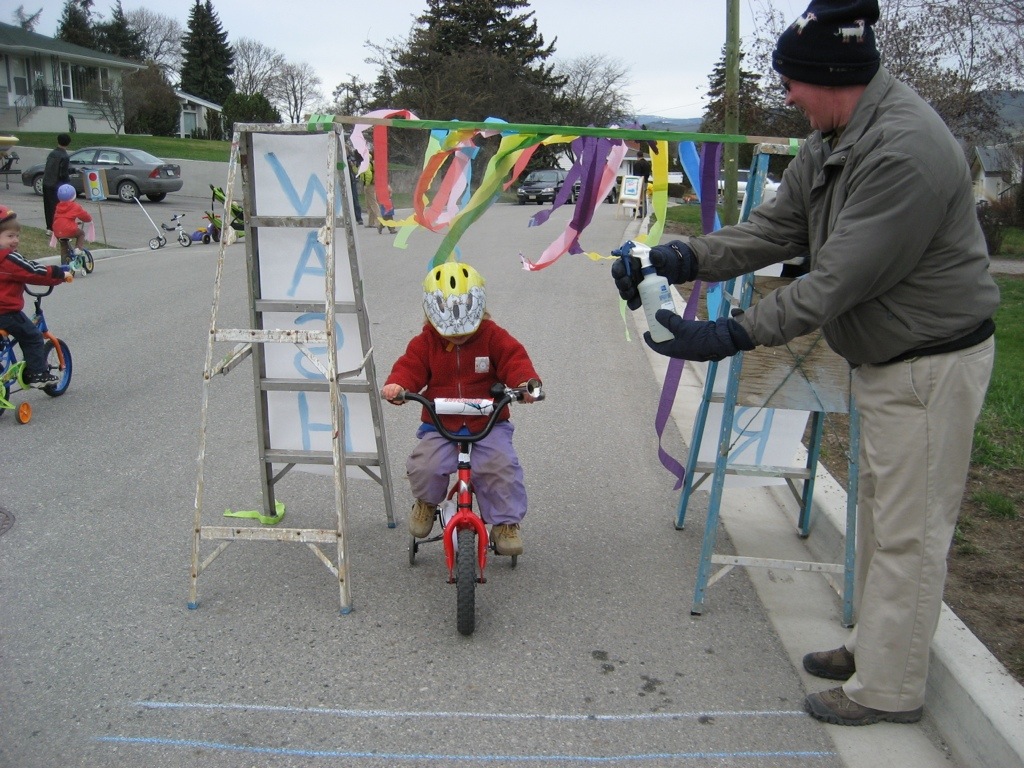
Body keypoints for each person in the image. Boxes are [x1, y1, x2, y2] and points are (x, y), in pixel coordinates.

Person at [612, 0, 999, 727]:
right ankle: (875, 650)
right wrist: (683, 255)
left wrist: (727, 334)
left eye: (792, 81)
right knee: (881, 518)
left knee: (911, 531)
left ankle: (889, 690)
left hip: (930, 366)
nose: (787, 94)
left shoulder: (904, 152)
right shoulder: (836, 137)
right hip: (890, 360)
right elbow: (775, 228)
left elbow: (832, 283)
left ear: (831, 76)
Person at [380, 261, 541, 556]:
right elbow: (410, 367)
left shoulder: (493, 336)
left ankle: (506, 523)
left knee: (500, 467)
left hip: (489, 422)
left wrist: (524, 384)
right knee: (424, 466)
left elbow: (514, 360)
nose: (457, 338)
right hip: (440, 423)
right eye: (449, 333)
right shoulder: (426, 342)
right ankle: (426, 503)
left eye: (465, 332)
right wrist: (398, 385)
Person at [0, 206, 72, 388]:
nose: (15, 240)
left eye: (17, 235)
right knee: (32, 336)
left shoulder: (12, 258)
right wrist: (59, 274)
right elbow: (32, 271)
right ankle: (37, 374)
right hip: (5, 312)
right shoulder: (8, 259)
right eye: (10, 236)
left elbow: (26, 264)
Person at [51, 183, 93, 264]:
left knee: (64, 246)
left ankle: (64, 264)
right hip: (69, 229)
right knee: (81, 234)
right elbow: (84, 216)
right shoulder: (75, 206)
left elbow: (61, 219)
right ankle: (78, 249)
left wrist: (74, 222)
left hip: (57, 230)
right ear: (74, 196)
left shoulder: (58, 206)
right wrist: (89, 219)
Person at [42, 133, 71, 233]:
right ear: (68, 143)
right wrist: (68, 183)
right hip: (56, 185)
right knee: (57, 208)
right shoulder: (65, 156)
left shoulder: (52, 154)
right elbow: (63, 174)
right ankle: (56, 228)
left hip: (46, 183)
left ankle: (49, 228)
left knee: (48, 207)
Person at [633, 150, 652, 217]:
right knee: (644, 197)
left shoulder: (637, 164)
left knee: (639, 197)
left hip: (639, 181)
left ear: (637, 156)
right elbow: (648, 173)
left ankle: (641, 212)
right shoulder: (647, 163)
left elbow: (636, 174)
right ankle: (644, 211)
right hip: (645, 181)